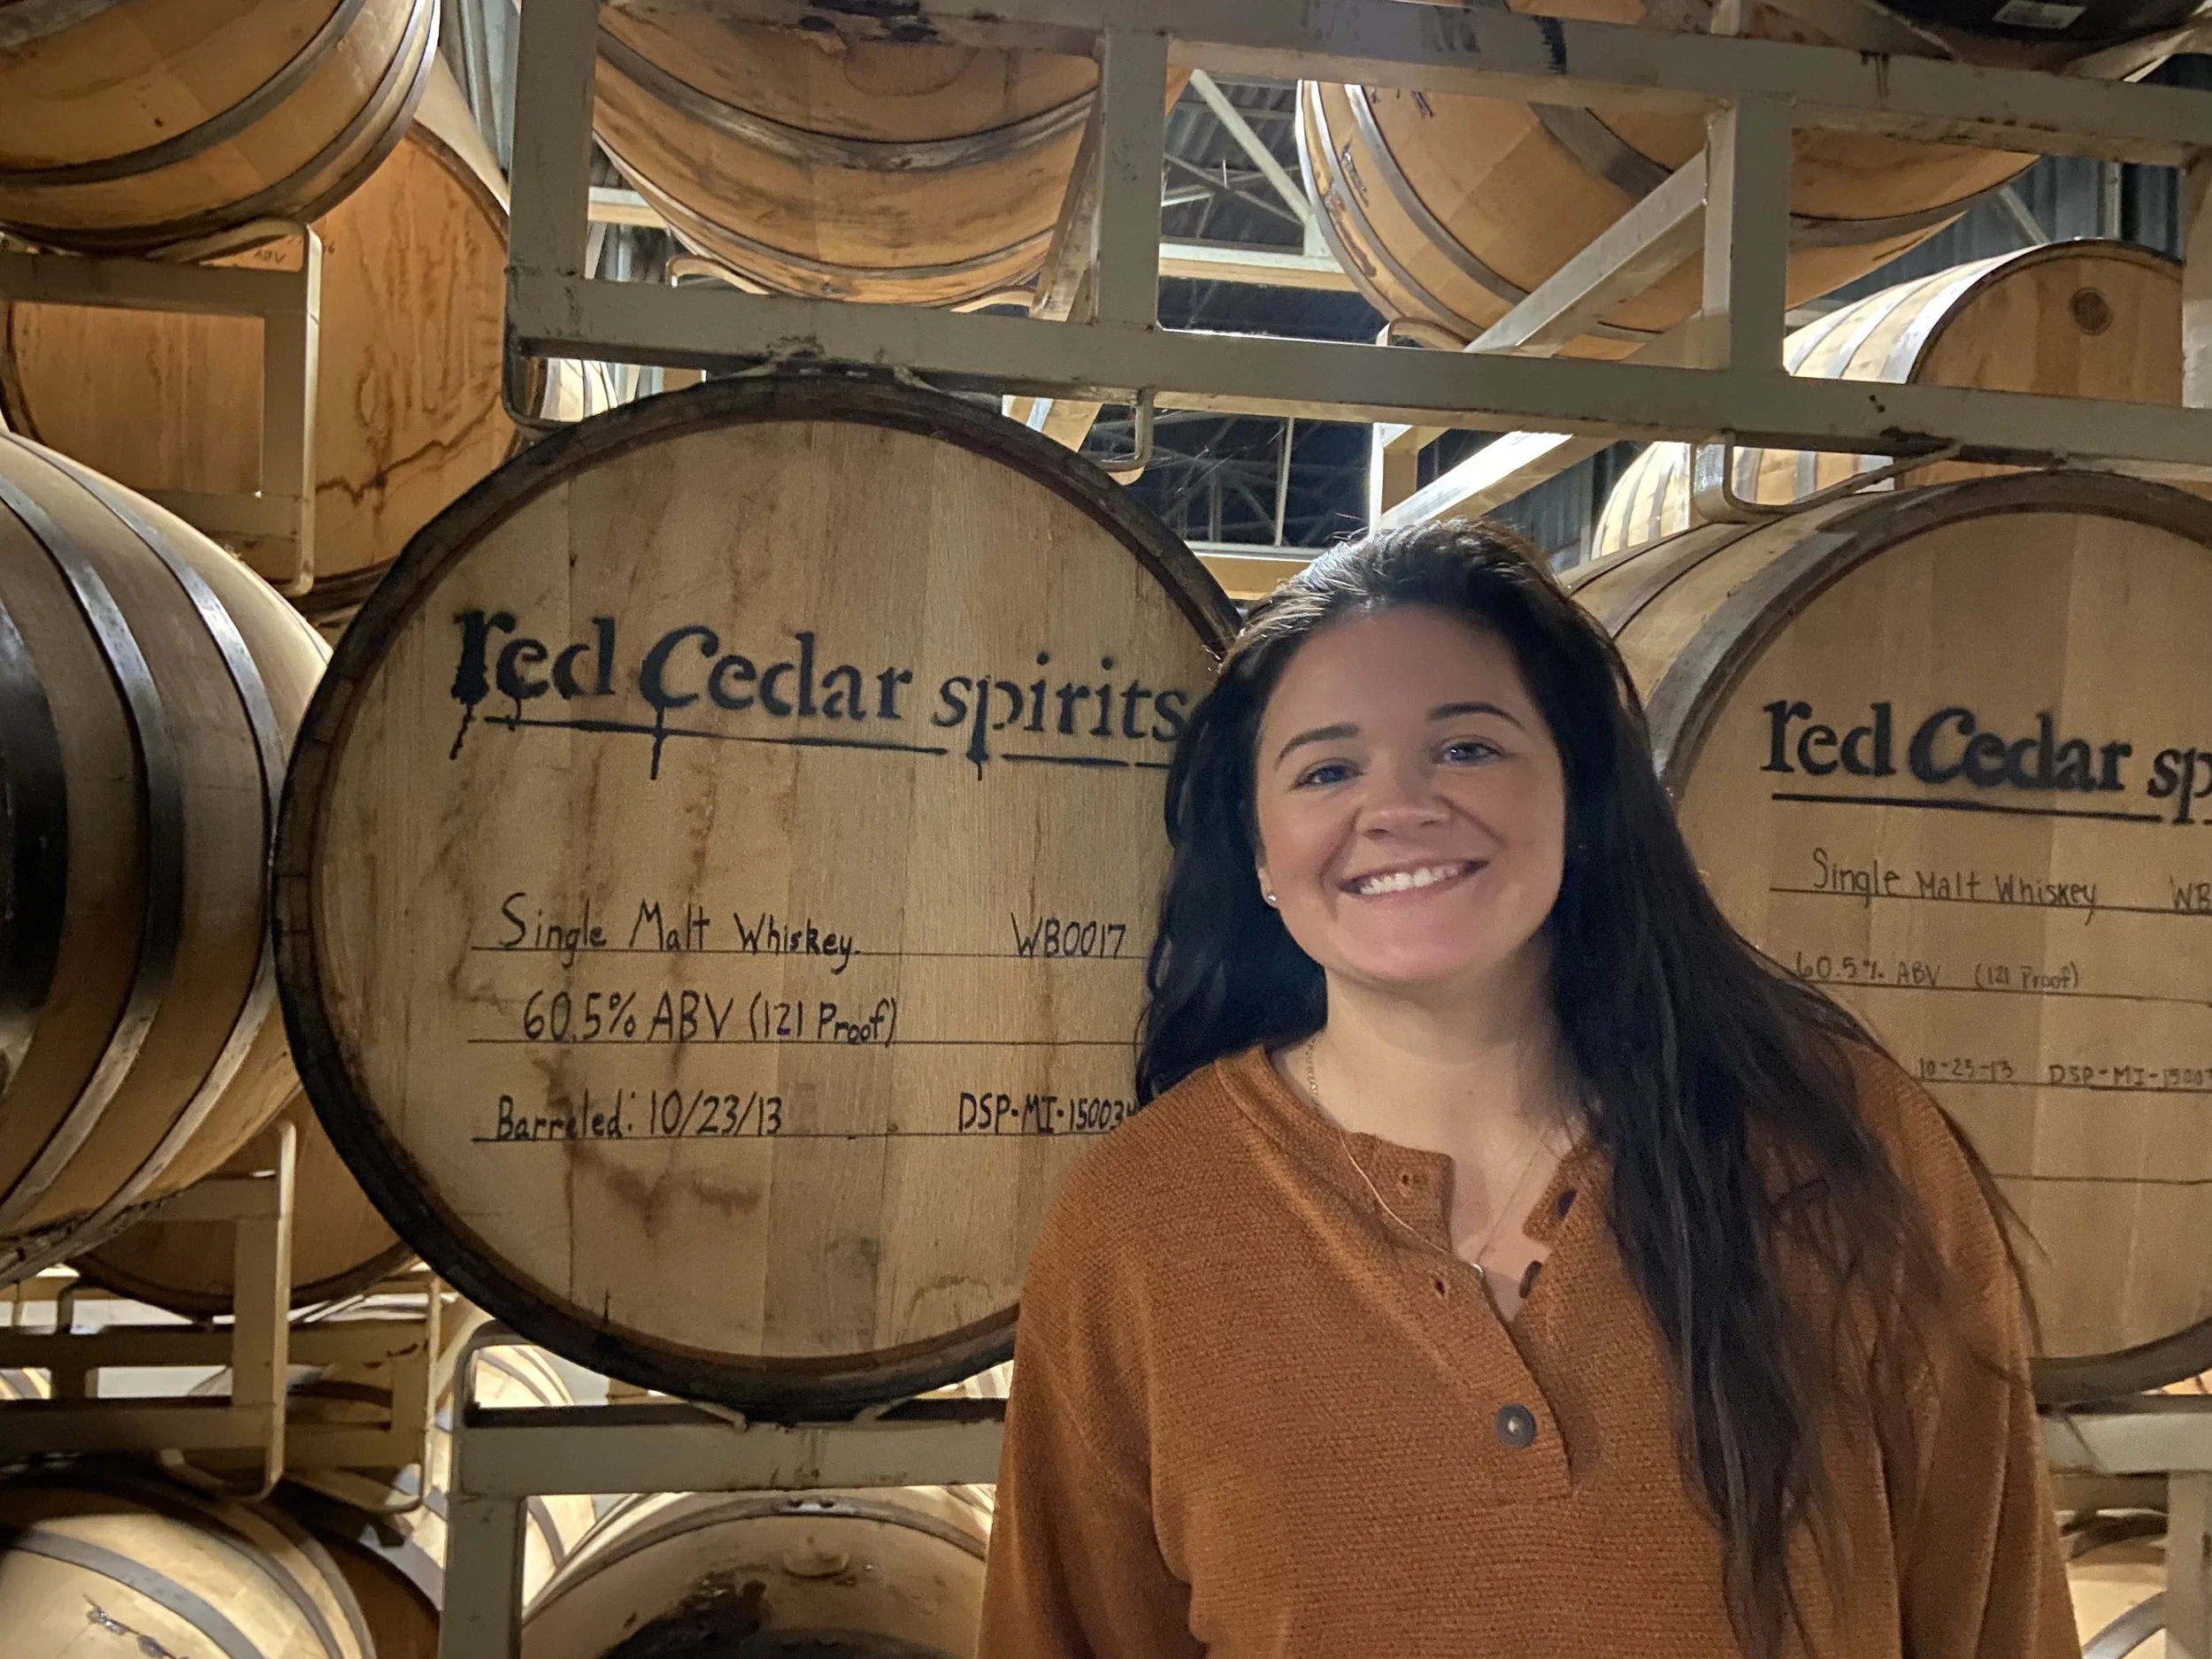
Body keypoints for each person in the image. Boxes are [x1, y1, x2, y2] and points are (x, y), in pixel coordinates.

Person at [976, 520, 2074, 1659]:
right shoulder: (1142, 1223)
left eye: (1467, 748)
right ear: (1258, 854)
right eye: (1327, 769)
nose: (1397, 807)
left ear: (1579, 797)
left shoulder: (1841, 1147)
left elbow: (1997, 1617)